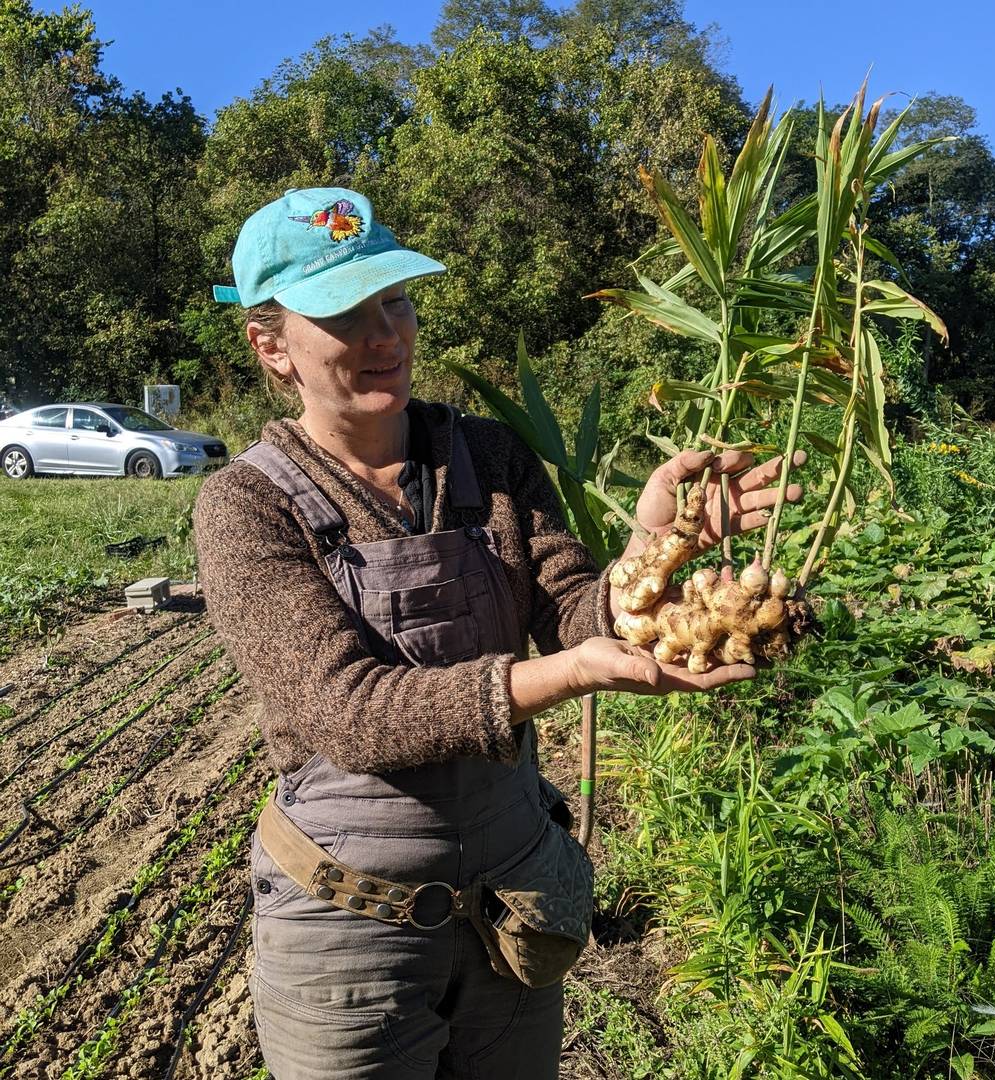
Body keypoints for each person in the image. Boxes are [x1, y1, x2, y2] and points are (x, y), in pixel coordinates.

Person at [194, 187, 803, 1080]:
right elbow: (346, 712)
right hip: (350, 930)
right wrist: (566, 677)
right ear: (271, 345)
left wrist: (652, 551)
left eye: (394, 300)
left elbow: (571, 609)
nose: (385, 336)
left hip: (515, 903)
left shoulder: (490, 455)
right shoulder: (247, 503)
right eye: (346, 315)